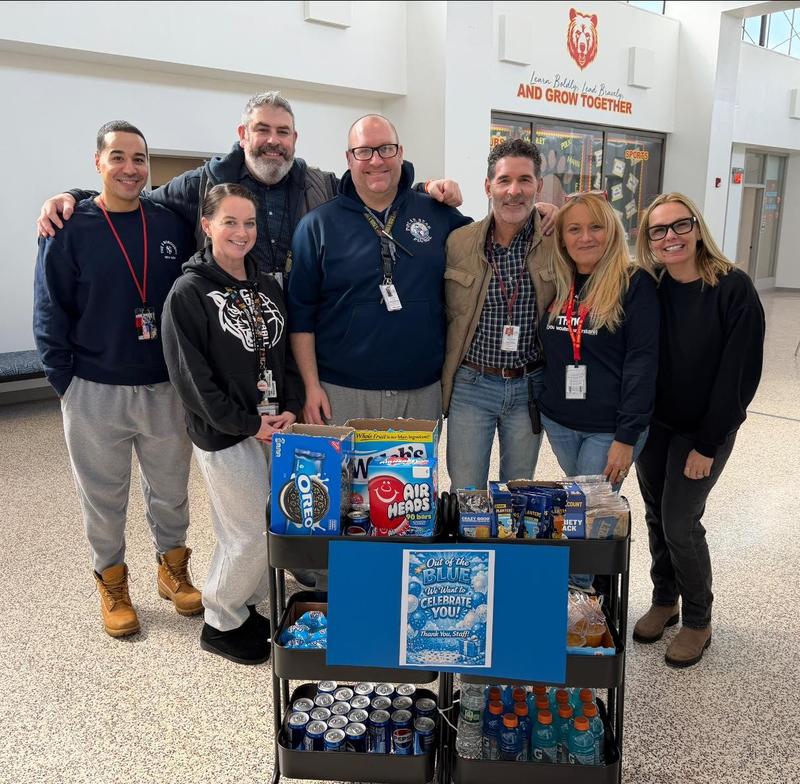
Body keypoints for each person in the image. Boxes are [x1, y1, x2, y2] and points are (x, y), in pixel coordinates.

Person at [33, 120, 201, 638]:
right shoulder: (68, 227)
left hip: (164, 387)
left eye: (140, 158)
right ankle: (112, 583)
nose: (131, 168)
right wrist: (66, 384)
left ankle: (172, 570)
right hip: (93, 389)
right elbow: (49, 308)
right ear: (98, 162)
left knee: (170, 491)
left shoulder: (170, 221)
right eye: (118, 157)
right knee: (103, 498)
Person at [36, 92, 463, 280]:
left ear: (295, 139)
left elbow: (371, 186)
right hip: (231, 332)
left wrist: (425, 188)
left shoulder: (319, 184)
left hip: (299, 327)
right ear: (243, 134)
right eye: (263, 130)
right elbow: (134, 196)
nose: (273, 141)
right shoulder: (201, 183)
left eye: (283, 132)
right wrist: (76, 196)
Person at [162, 183, 304, 665]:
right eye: (229, 222)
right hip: (225, 433)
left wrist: (290, 407)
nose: (242, 232)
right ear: (207, 225)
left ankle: (243, 606)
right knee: (247, 533)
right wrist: (247, 424)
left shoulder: (267, 286)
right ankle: (220, 620)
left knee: (263, 523)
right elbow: (192, 382)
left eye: (249, 223)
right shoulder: (188, 293)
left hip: (271, 425)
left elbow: (282, 356)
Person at [633, 192, 765, 668]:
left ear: (697, 227)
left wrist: (707, 444)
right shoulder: (652, 286)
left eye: (679, 225)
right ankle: (664, 599)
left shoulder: (732, 288)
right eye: (659, 230)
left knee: (680, 521)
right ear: (648, 239)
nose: (670, 237)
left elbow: (739, 374)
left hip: (705, 429)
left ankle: (697, 620)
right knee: (655, 514)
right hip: (657, 425)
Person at [288, 114, 472, 425]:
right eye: (363, 151)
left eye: (386, 148)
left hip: (421, 391)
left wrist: (542, 216)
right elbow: (301, 314)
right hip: (340, 392)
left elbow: (490, 242)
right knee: (344, 463)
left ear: (400, 152)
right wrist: (310, 386)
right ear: (349, 158)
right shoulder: (317, 226)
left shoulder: (439, 214)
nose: (376, 160)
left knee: (414, 464)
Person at [441, 139, 556, 491]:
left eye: (525, 180)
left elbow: (597, 230)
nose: (514, 191)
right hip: (471, 386)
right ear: (488, 186)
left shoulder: (557, 241)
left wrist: (563, 212)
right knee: (466, 492)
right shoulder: (458, 242)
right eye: (504, 180)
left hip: (528, 386)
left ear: (538, 186)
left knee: (518, 493)